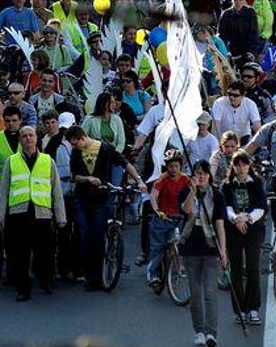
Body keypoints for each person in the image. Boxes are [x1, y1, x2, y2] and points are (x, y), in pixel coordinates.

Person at [65, 126, 146, 291]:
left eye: (75, 144)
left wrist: (139, 180)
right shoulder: (76, 153)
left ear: (82, 138)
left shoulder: (105, 149)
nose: (73, 148)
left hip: (101, 199)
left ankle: (96, 276)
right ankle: (88, 272)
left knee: (97, 235)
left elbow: (124, 163)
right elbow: (74, 176)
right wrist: (88, 178)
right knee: (83, 233)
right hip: (82, 199)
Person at [0, 126, 67, 301]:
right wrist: (0, 215)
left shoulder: (47, 160)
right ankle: (23, 289)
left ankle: (46, 281)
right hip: (18, 213)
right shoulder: (11, 161)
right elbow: (3, 190)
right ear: (20, 140)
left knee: (46, 252)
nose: (28, 139)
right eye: (24, 136)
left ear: (37, 138)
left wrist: (61, 216)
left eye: (31, 135)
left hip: (42, 212)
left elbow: (56, 190)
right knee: (20, 254)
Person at [181, 160, 228, 347]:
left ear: (209, 175)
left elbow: (220, 224)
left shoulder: (217, 195)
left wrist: (223, 251)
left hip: (210, 247)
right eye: (197, 173)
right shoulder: (187, 191)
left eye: (204, 173)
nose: (201, 176)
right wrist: (193, 191)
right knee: (195, 293)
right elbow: (186, 211)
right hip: (191, 247)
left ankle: (211, 333)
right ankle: (199, 330)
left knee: (210, 292)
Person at [222, 151, 266, 326]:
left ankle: (253, 308)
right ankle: (239, 309)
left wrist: (246, 218)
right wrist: (235, 219)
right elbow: (225, 206)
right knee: (236, 270)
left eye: (244, 164)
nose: (241, 168)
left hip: (253, 230)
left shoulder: (256, 183)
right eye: (237, 165)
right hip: (234, 231)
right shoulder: (227, 186)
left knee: (253, 268)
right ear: (233, 166)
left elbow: (261, 207)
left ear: (249, 165)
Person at [146, 153, 190, 287]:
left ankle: (174, 278)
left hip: (178, 219)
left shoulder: (186, 179)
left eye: (176, 166)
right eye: (171, 166)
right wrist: (157, 210)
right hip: (162, 219)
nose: (173, 169)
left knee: (177, 248)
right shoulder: (162, 179)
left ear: (181, 167)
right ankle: (152, 275)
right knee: (157, 249)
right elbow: (153, 196)